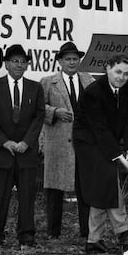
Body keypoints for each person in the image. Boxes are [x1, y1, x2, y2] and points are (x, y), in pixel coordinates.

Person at [73, 53, 128, 254]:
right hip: (89, 143)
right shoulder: (93, 92)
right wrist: (119, 158)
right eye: (118, 72)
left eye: (126, 74)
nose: (122, 77)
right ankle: (124, 233)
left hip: (108, 142)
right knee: (109, 182)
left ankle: (94, 240)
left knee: (103, 188)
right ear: (107, 68)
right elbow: (99, 130)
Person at [0, 44, 45, 247]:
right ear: (6, 64)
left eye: (23, 61)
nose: (19, 65)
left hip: (26, 153)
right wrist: (4, 141)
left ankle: (26, 235)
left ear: (27, 65)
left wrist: (27, 142)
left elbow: (39, 117)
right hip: (0, 152)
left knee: (27, 196)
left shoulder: (36, 88)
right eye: (15, 61)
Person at [40, 42, 95, 239]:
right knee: (54, 188)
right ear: (60, 61)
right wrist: (54, 112)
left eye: (75, 59)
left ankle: (86, 231)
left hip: (84, 142)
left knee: (85, 187)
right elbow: (38, 108)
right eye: (68, 59)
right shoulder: (48, 82)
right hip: (58, 142)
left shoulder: (89, 80)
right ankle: (53, 232)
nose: (72, 62)